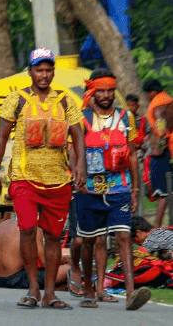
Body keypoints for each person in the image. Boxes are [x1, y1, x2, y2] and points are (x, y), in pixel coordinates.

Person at [0, 48, 85, 310]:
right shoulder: (16, 100)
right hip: (24, 178)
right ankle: (33, 288)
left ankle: (50, 293)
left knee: (54, 237)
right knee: (28, 230)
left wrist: (81, 167)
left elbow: (78, 135)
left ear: (53, 71)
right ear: (30, 71)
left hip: (58, 180)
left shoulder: (66, 100)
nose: (44, 74)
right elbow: (0, 140)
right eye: (39, 69)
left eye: (48, 69)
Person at [76, 69, 151, 309]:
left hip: (120, 188)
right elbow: (73, 151)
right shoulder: (81, 118)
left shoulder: (125, 117)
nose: (107, 95)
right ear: (92, 91)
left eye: (110, 90)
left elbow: (132, 155)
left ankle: (131, 294)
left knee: (124, 237)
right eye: (101, 91)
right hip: (89, 189)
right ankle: (88, 289)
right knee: (89, 241)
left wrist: (136, 188)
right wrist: (75, 173)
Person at [0, 218, 70, 288]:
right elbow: (46, 263)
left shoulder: (3, 224)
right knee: (68, 269)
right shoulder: (32, 226)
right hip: (15, 279)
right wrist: (64, 260)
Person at [142, 79, 172, 226]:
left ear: (151, 92)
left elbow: (160, 121)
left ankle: (156, 228)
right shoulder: (167, 98)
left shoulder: (158, 103)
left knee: (162, 193)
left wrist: (159, 141)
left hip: (164, 152)